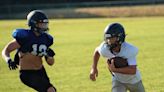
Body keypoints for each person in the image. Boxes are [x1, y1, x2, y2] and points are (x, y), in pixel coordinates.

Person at [2, 10, 57, 92]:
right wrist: (8, 60)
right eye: (42, 23)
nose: (44, 26)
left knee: (51, 90)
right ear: (34, 23)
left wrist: (50, 56)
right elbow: (6, 50)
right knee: (50, 90)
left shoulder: (46, 39)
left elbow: (50, 63)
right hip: (27, 73)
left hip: (41, 71)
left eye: (45, 23)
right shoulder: (25, 37)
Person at [89, 23, 145, 92]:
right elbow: (97, 51)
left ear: (120, 37)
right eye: (108, 38)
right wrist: (94, 68)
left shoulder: (129, 49)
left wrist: (115, 70)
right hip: (118, 80)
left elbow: (132, 70)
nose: (109, 41)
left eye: (111, 38)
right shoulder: (105, 48)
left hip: (133, 81)